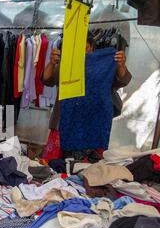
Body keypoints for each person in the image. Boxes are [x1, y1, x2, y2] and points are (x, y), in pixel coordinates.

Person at [42, 31, 132, 160]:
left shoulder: (102, 65)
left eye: (85, 48)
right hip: (63, 121)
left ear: (92, 48)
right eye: (77, 48)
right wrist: (52, 63)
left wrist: (121, 66)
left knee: (89, 168)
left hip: (93, 123)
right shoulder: (68, 64)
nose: (82, 52)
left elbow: (123, 81)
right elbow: (47, 80)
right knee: (57, 164)